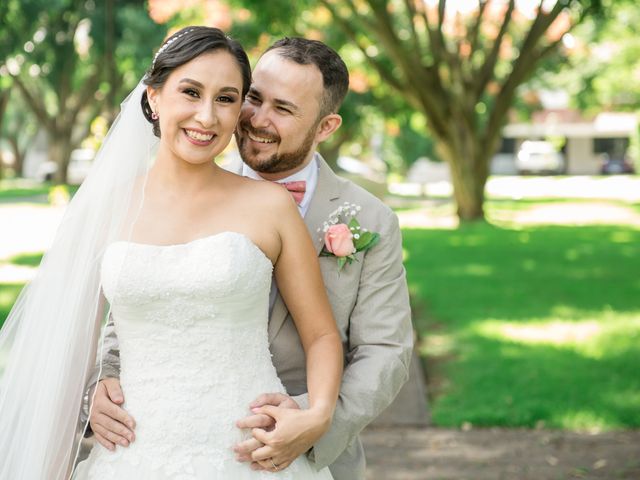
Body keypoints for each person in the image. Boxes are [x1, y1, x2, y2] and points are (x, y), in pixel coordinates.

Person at [0, 27, 343, 480]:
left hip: (251, 453)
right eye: (191, 92)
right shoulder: (107, 211)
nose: (207, 116)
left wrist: (316, 414)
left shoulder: (271, 206)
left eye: (226, 98)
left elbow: (321, 335)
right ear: (154, 96)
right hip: (133, 454)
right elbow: (68, 354)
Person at [87, 37, 413, 480]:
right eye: (252, 99)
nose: (256, 119)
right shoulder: (149, 193)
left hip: (283, 449)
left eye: (283, 109)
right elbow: (136, 303)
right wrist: (103, 382)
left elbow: (385, 350)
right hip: (146, 439)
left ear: (325, 127)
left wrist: (312, 419)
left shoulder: (370, 220)